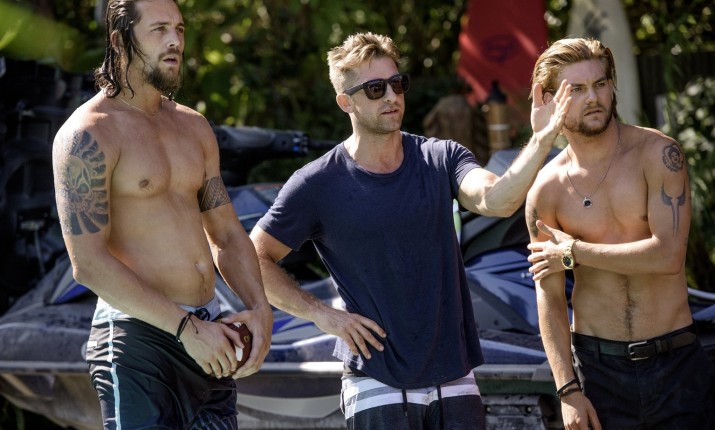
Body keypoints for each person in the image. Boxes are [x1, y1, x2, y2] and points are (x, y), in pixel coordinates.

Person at [249, 32, 570, 429]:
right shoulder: (317, 182)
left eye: (397, 83)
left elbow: (497, 200)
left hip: (455, 377)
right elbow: (253, 257)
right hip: (377, 381)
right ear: (346, 102)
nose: (391, 96)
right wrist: (321, 314)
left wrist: (540, 140)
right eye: (375, 89)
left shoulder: (441, 157)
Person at [51, 0, 273, 428]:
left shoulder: (194, 127)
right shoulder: (88, 135)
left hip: (210, 340)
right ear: (119, 40)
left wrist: (260, 309)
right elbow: (88, 264)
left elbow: (227, 234)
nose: (175, 41)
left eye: (180, 29)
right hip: (138, 343)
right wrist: (186, 329)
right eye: (158, 30)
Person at [525, 37, 715, 429]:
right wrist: (567, 390)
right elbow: (550, 297)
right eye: (576, 89)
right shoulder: (546, 189)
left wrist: (574, 252)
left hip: (676, 365)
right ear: (548, 99)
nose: (593, 98)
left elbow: (668, 256)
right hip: (599, 373)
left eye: (600, 84)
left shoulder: (658, 154)